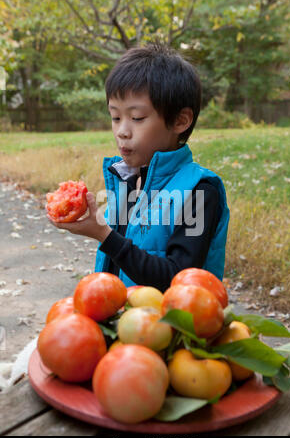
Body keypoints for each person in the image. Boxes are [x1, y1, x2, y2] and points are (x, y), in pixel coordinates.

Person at [47, 42, 230, 292]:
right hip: (123, 324)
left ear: (180, 121)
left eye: (137, 118)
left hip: (170, 328)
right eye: (115, 117)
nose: (122, 131)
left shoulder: (198, 191)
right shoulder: (127, 181)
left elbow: (178, 281)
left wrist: (104, 235)